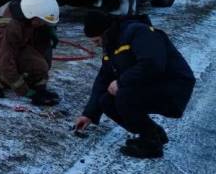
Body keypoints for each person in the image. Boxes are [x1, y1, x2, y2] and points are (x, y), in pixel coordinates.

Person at [74, 11, 195, 159]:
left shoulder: (139, 32)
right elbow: (103, 79)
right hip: (151, 86)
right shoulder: (112, 46)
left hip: (174, 86)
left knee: (124, 95)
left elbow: (153, 63)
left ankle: (151, 146)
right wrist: (89, 114)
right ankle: (153, 133)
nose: (97, 46)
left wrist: (121, 82)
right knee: (107, 100)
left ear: (105, 33)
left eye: (97, 41)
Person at [0, 0, 60, 105]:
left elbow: (39, 52)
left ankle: (33, 84)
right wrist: (27, 93)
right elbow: (5, 63)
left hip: (14, 46)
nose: (42, 24)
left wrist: (40, 88)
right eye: (41, 22)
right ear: (32, 16)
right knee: (11, 69)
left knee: (40, 66)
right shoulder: (9, 27)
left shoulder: (25, 10)